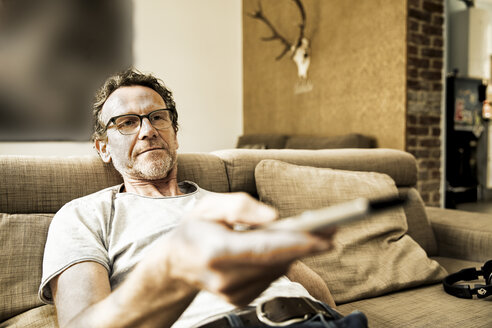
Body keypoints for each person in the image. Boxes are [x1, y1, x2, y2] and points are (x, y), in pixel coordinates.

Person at [38, 69, 367, 328]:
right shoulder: (82, 215)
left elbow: (312, 286)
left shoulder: (229, 205)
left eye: (157, 117)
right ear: (103, 148)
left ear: (175, 135)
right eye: (126, 123)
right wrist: (177, 267)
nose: (148, 130)